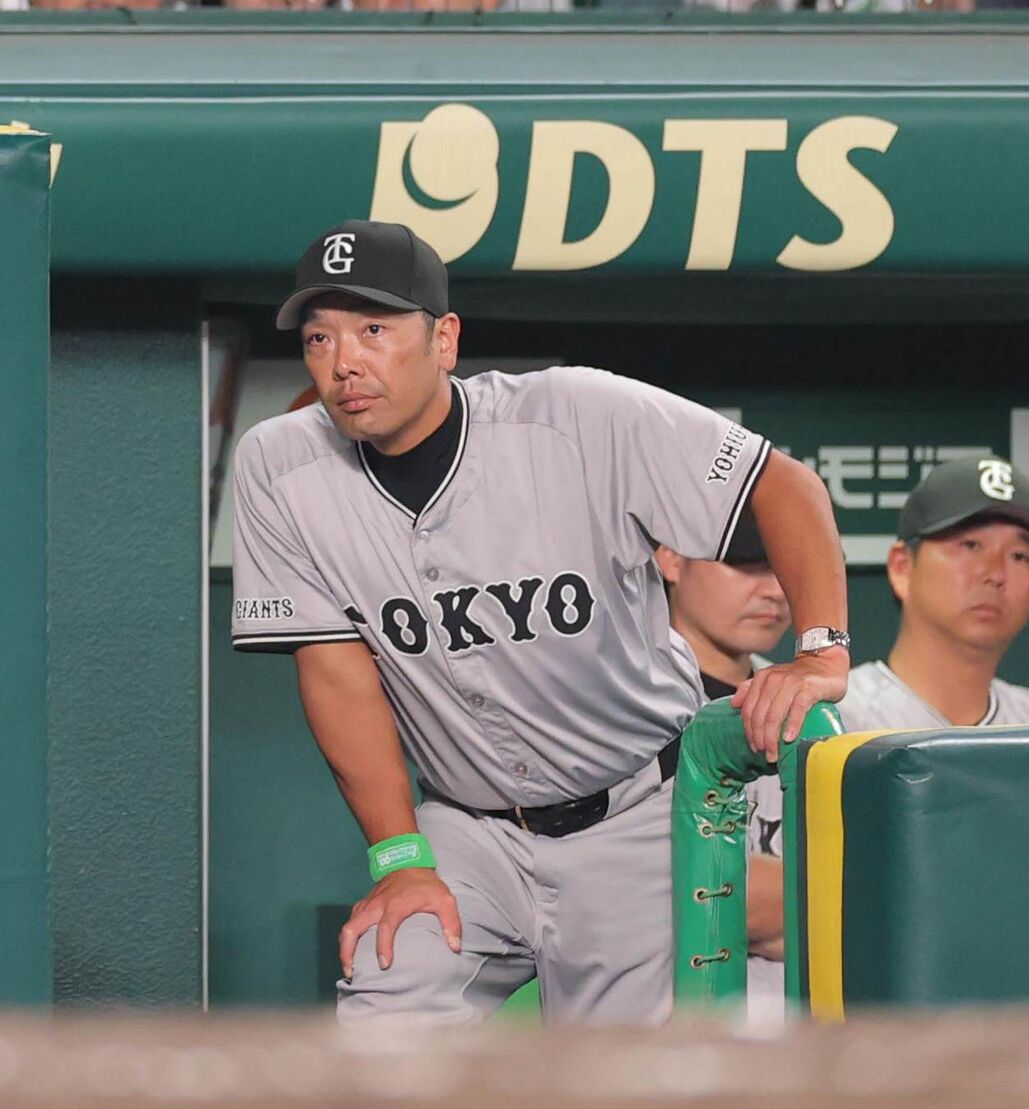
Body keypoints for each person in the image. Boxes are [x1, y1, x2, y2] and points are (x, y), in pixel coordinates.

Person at [231, 218, 849, 1025]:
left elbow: (784, 485)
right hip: (465, 831)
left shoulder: (575, 414)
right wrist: (401, 859)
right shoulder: (279, 465)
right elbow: (337, 671)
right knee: (387, 1006)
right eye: (319, 337)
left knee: (619, 1103)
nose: (344, 361)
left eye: (374, 329)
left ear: (444, 338)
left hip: (636, 815)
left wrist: (818, 654)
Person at [655, 515, 792, 1018]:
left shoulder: (818, 713)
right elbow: (657, 888)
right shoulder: (622, 714)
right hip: (662, 1031)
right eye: (747, 564)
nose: (775, 590)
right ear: (669, 557)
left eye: (786, 569)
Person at [839, 456, 1029, 733]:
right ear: (902, 567)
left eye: (1019, 555)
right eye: (971, 545)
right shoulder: (835, 720)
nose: (996, 574)